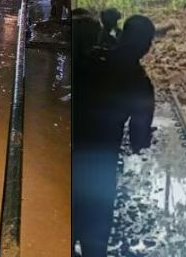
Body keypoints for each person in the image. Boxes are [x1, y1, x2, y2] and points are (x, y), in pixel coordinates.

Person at [73, 15, 157, 257]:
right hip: (102, 168)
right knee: (96, 239)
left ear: (123, 36)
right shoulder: (141, 85)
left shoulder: (91, 61)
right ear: (146, 46)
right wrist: (149, 137)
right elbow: (138, 142)